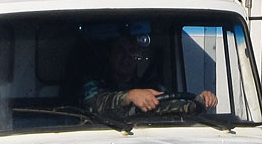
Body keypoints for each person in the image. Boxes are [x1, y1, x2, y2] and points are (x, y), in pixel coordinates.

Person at [83, 34, 217, 117]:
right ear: (110, 54)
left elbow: (170, 106)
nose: (127, 57)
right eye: (120, 50)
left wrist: (198, 103)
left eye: (132, 51)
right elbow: (94, 105)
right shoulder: (94, 86)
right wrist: (129, 97)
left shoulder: (151, 87)